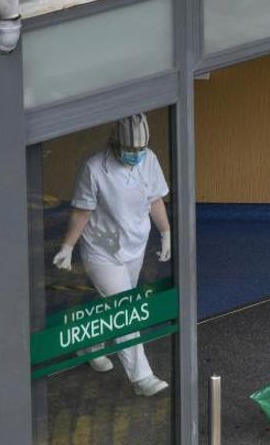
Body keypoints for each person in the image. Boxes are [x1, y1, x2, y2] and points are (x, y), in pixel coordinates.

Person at [52, 113, 172, 397]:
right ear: (115, 144)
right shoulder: (94, 168)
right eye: (130, 150)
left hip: (135, 245)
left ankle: (90, 344)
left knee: (115, 304)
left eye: (140, 149)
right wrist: (68, 246)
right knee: (126, 311)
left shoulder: (149, 160)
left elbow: (154, 199)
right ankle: (142, 378)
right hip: (101, 251)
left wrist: (165, 232)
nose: (136, 155)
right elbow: (83, 210)